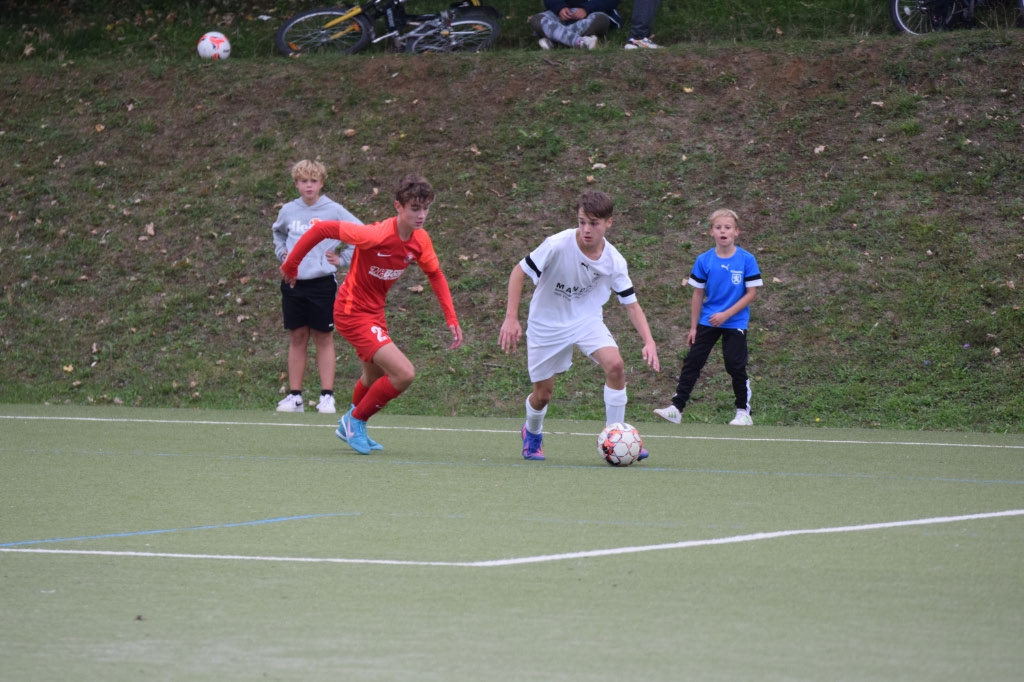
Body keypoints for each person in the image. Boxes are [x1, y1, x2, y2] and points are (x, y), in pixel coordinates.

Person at [281, 173, 463, 454]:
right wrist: (292, 265)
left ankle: (350, 425)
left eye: (426, 208)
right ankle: (355, 421)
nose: (421, 215)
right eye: (415, 208)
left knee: (373, 378)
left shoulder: (420, 241)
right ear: (398, 206)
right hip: (351, 312)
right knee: (404, 373)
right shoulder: (375, 235)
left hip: (374, 313)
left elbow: (435, 275)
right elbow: (321, 230)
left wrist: (451, 318)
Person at [499, 190, 660, 461]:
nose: (586, 229)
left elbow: (631, 304)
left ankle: (616, 436)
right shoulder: (557, 244)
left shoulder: (614, 261)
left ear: (608, 223)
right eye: (582, 221)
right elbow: (519, 272)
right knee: (543, 395)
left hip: (586, 320)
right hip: (546, 324)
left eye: (594, 223)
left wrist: (649, 340)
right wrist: (511, 317)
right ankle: (532, 432)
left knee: (616, 366)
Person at [654, 208, 763, 426]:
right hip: (708, 320)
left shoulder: (746, 260)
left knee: (735, 365)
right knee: (693, 361)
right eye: (718, 227)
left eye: (728, 227)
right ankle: (676, 408)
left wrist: (726, 314)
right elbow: (697, 294)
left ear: (736, 232)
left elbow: (751, 293)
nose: (723, 231)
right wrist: (694, 327)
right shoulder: (704, 260)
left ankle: (743, 412)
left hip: (735, 321)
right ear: (711, 232)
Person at [272, 159, 358, 414]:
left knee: (323, 336)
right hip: (293, 283)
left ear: (321, 183)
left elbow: (360, 233)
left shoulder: (333, 210)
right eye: (303, 181)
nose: (308, 186)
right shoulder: (288, 210)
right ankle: (295, 397)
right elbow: (278, 234)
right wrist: (282, 254)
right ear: (296, 184)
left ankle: (327, 397)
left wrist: (342, 258)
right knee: (297, 336)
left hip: (322, 284)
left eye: (313, 181)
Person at [527, 0, 621, 50]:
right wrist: (560, 8)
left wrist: (586, 9)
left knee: (601, 20)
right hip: (561, 15)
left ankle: (554, 40)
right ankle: (582, 42)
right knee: (537, 20)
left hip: (591, 13)